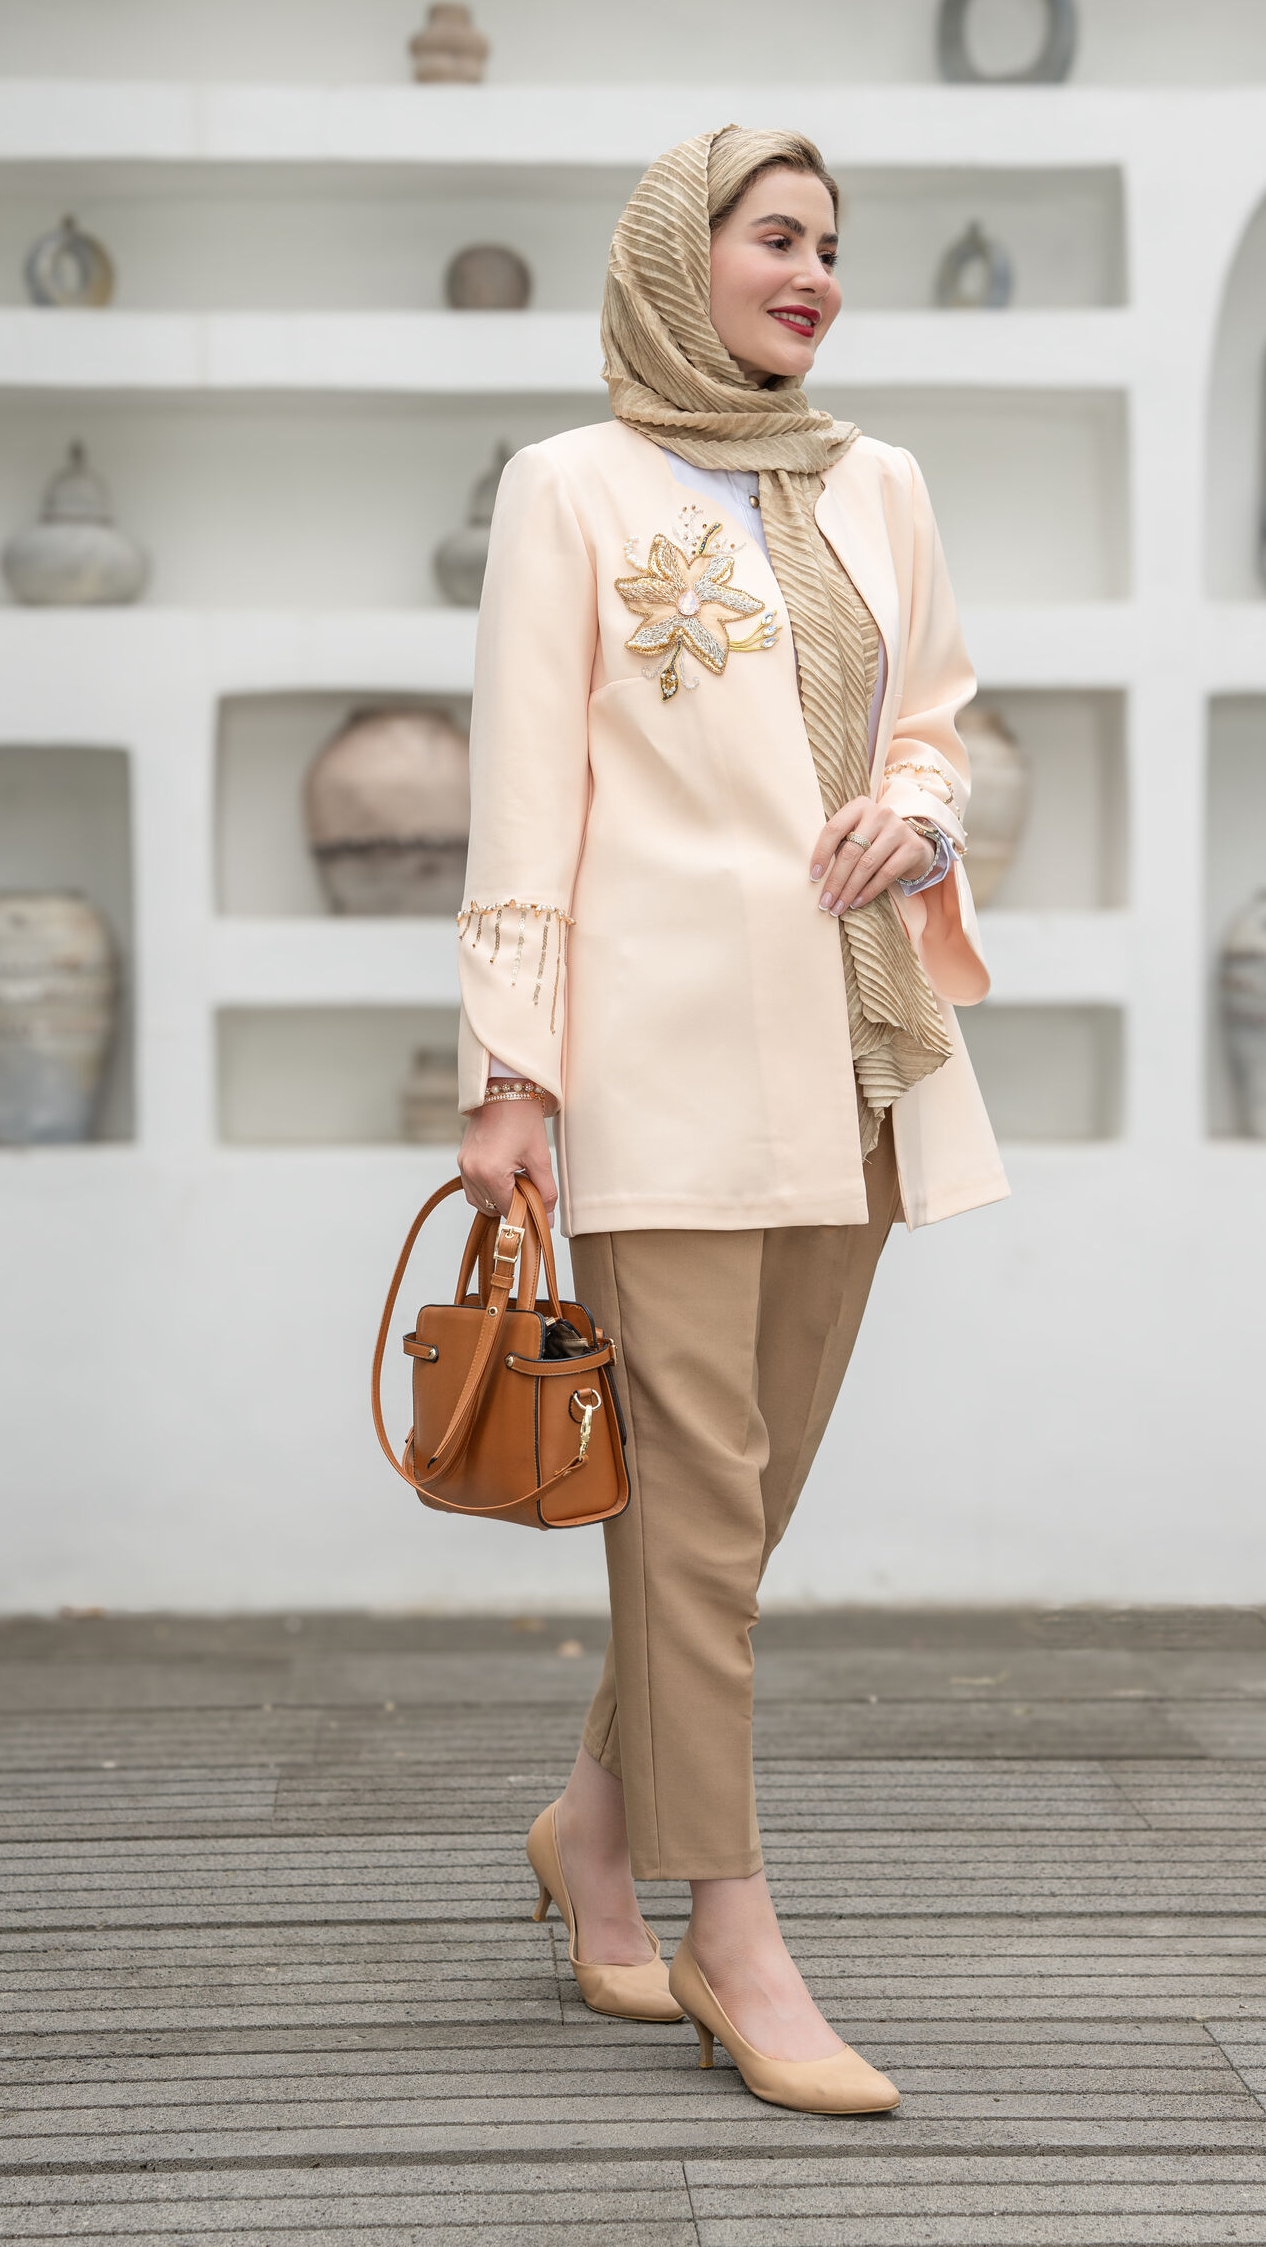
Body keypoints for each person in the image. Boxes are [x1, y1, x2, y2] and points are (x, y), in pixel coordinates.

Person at [453, 126, 1007, 2115]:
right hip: (662, 1064)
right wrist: (510, 1074)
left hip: (859, 1061)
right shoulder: (570, 488)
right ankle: (735, 1931)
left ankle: (590, 1831)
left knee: (735, 1517)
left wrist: (915, 813)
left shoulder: (879, 480)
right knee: (693, 1508)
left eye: (832, 243)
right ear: (676, 257)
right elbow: (527, 792)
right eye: (776, 236)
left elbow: (935, 718)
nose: (814, 272)